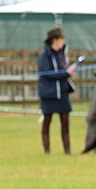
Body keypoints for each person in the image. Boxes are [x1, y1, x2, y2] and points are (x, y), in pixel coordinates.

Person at [37, 27, 75, 155]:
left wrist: (68, 72)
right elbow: (48, 74)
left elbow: (63, 71)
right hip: (49, 94)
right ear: (55, 40)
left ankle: (67, 150)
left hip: (62, 94)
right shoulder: (44, 57)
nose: (63, 42)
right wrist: (65, 73)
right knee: (47, 121)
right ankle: (47, 151)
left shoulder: (62, 56)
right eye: (61, 39)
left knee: (65, 121)